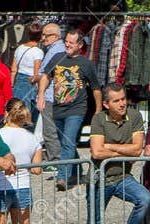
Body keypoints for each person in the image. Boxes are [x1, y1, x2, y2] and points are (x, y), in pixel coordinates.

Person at [85, 84, 150, 224]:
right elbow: (97, 152)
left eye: (123, 99)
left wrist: (110, 147)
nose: (122, 103)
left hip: (123, 177)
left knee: (144, 198)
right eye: (117, 101)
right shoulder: (98, 119)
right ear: (106, 104)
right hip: (100, 179)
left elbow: (137, 150)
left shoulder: (134, 116)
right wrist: (124, 152)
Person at [39, 30, 101, 190]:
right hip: (58, 108)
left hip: (77, 109)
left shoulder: (86, 63)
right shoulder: (57, 57)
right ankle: (78, 170)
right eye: (66, 41)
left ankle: (62, 178)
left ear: (80, 45)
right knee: (64, 142)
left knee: (68, 141)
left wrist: (98, 109)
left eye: (71, 42)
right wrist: (40, 96)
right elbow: (46, 76)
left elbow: (96, 88)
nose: (67, 44)